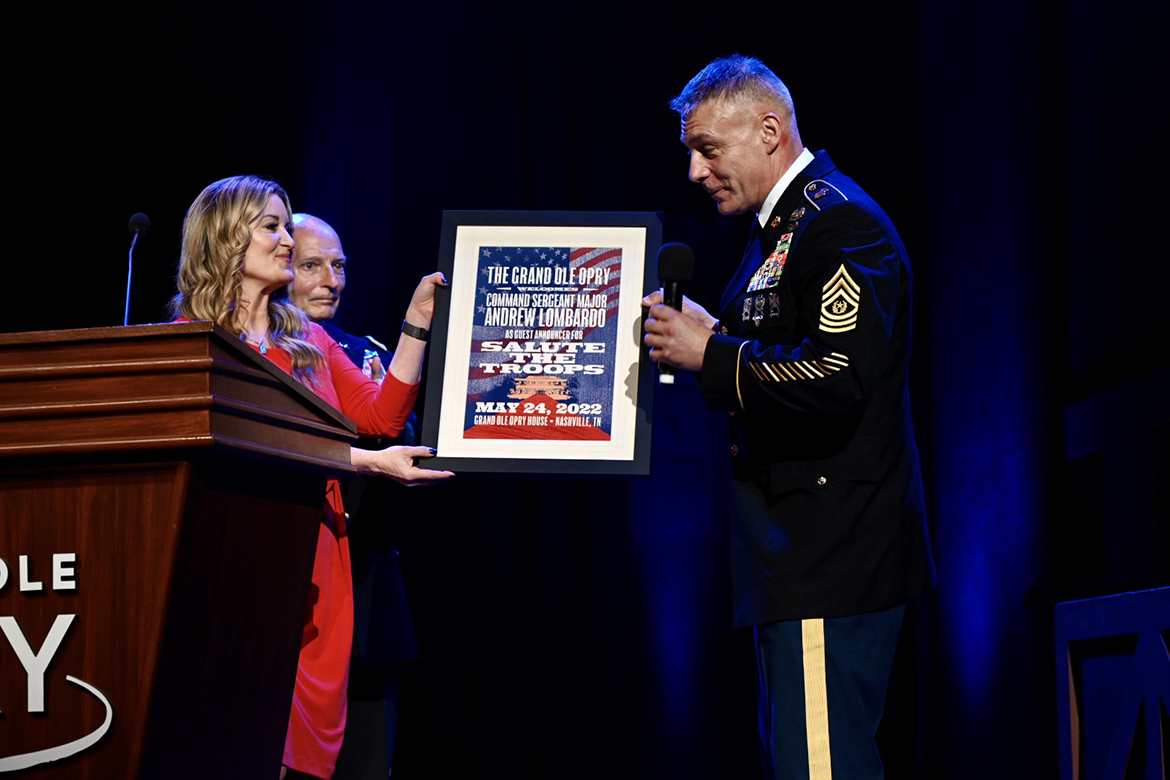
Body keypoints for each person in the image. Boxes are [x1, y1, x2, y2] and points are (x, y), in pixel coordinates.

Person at [643, 56, 935, 779]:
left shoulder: (838, 224)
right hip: (796, 558)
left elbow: (839, 376)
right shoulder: (784, 227)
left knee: (823, 769)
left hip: (828, 557)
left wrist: (712, 352)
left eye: (707, 148)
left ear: (769, 130)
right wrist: (720, 335)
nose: (694, 170)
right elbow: (789, 347)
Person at [169, 175, 446, 780]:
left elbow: (380, 415)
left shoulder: (310, 341)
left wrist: (415, 324)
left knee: (310, 745)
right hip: (235, 549)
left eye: (286, 226)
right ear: (224, 239)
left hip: (319, 550)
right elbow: (256, 444)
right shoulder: (189, 344)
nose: (287, 240)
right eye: (271, 226)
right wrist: (368, 464)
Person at [288, 212, 452, 778]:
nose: (330, 280)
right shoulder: (245, 346)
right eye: (311, 265)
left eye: (339, 266)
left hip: (364, 587)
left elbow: (390, 425)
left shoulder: (361, 355)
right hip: (282, 581)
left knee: (365, 758)